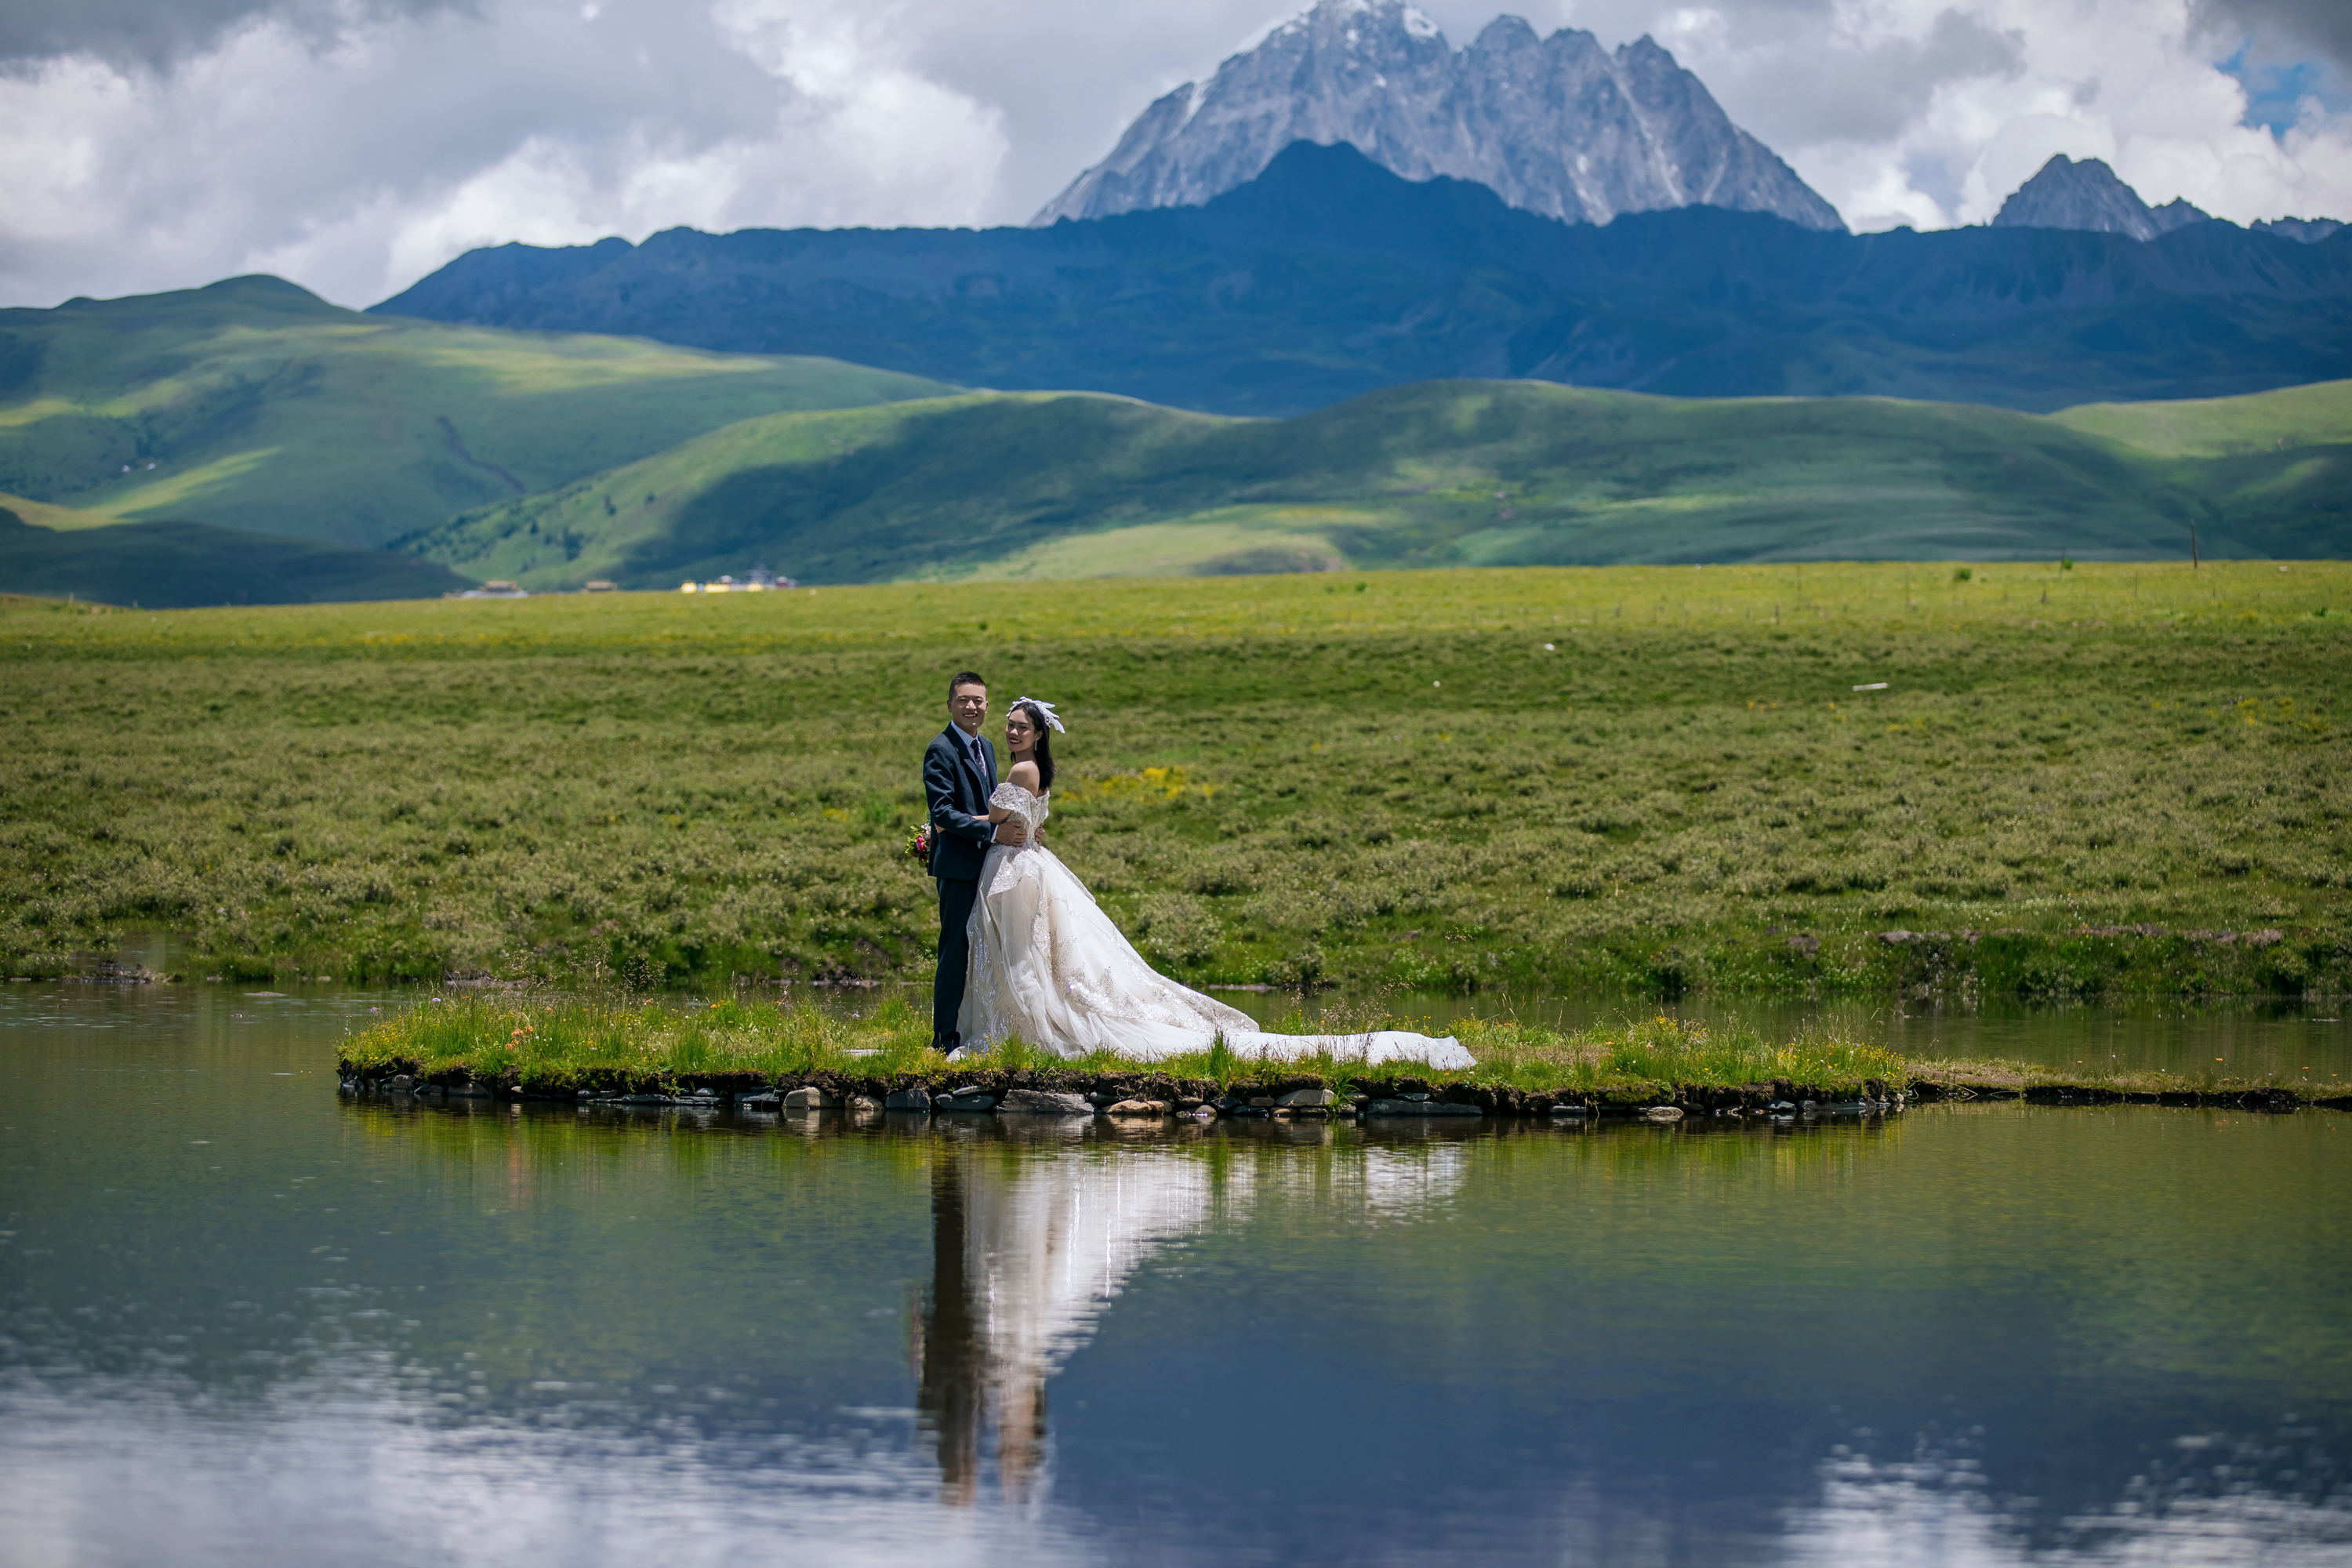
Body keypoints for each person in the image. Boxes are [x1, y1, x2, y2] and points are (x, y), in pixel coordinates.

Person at [954, 696, 1471, 1067]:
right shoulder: (1036, 770)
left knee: (1024, 956)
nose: (1012, 732)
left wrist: (945, 829)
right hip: (1026, 865)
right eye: (1010, 725)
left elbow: (1000, 819)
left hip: (1016, 868)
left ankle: (1024, 1029)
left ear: (1038, 733)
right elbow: (1035, 826)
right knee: (1029, 956)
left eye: (1020, 726)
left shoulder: (1021, 772)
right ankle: (1021, 1026)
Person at [924, 672, 1027, 1051]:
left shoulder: (987, 747)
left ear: (987, 706)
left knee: (985, 949)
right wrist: (992, 833)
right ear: (950, 704)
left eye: (979, 701)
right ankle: (943, 1039)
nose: (972, 707)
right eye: (964, 700)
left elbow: (991, 806)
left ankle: (977, 1029)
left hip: (988, 864)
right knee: (955, 950)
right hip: (958, 867)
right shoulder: (941, 749)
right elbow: (943, 814)